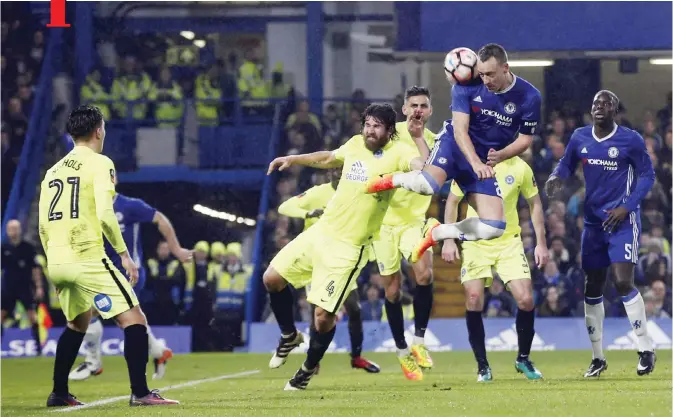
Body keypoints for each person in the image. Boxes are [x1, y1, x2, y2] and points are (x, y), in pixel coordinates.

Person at [263, 103, 426, 390]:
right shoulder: (354, 144)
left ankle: (306, 370)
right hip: (323, 231)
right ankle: (289, 335)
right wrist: (294, 158)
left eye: (376, 126)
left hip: (349, 249)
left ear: (389, 131)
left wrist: (417, 158)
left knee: (323, 318)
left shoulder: (400, 152)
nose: (370, 130)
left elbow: (420, 168)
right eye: (367, 124)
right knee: (271, 279)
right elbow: (328, 158)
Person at [38, 105, 178, 407]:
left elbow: (42, 225)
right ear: (99, 131)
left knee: (78, 324)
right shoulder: (100, 163)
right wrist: (124, 255)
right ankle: (141, 393)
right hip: (88, 256)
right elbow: (104, 213)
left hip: (58, 259)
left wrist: (54, 264)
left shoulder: (52, 172)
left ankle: (59, 392)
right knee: (134, 319)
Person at [366, 44, 541, 261]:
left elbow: (525, 139)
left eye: (491, 75)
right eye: (482, 74)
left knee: (494, 227)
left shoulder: (530, 96)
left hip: (483, 160)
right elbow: (460, 131)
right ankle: (392, 179)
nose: (485, 80)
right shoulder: (464, 84)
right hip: (455, 146)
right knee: (427, 186)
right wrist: (476, 163)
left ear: (506, 68)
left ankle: (437, 232)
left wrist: (502, 155)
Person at [545, 90, 656, 377]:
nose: (599, 107)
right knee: (592, 286)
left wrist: (627, 207)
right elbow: (567, 163)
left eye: (606, 104)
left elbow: (647, 175)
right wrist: (557, 176)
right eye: (595, 103)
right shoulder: (580, 137)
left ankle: (645, 349)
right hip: (593, 226)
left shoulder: (629, 139)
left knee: (621, 281)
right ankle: (598, 358)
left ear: (615, 110)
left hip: (622, 223)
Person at [443, 156, 549, 381]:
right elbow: (452, 201)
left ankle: (523, 358)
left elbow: (535, 203)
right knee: (473, 299)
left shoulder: (520, 167)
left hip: (508, 241)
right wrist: (449, 239)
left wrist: (541, 243)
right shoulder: (471, 163)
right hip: (475, 240)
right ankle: (483, 367)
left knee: (526, 299)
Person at [69, 191, 192, 381]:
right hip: (105, 274)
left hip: (129, 273)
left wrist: (176, 250)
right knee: (126, 319)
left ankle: (93, 363)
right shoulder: (91, 209)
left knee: (90, 311)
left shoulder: (129, 205)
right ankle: (159, 351)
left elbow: (161, 220)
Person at [278, 168, 380, 373]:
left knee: (355, 308)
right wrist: (308, 212)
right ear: (328, 174)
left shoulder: (355, 194)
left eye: (341, 170)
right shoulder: (318, 193)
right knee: (318, 313)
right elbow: (284, 207)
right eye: (333, 170)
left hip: (341, 259)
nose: (337, 173)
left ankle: (357, 357)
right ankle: (312, 361)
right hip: (316, 260)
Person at [371, 86, 436, 381]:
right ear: (405, 109)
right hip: (384, 224)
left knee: (424, 275)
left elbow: (430, 174)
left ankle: (419, 342)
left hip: (414, 222)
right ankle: (401, 351)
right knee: (393, 290)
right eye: (414, 105)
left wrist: (421, 140)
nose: (419, 110)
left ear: (430, 111)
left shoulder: (434, 141)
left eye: (424, 105)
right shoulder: (389, 134)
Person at [1, 219, 44, 354]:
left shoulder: (28, 247)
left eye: (15, 228)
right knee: (1, 316)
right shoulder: (3, 248)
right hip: (8, 287)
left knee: (32, 316)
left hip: (25, 287)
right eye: (10, 229)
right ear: (7, 231)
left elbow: (35, 269)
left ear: (20, 230)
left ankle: (38, 348)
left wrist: (39, 287)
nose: (13, 231)